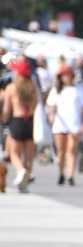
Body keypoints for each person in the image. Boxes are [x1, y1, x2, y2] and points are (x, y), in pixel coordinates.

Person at [46, 63, 83, 186]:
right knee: (60, 151)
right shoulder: (57, 90)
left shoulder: (78, 89)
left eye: (68, 75)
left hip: (74, 122)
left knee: (71, 150)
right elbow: (52, 105)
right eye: (64, 75)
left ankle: (70, 175)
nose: (67, 78)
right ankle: (61, 172)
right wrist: (52, 114)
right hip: (60, 123)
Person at [1, 60, 38, 192]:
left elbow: (6, 109)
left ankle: (21, 171)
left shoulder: (11, 88)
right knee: (28, 155)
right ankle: (25, 184)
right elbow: (35, 105)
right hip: (30, 120)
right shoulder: (33, 86)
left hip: (17, 120)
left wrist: (4, 120)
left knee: (14, 153)